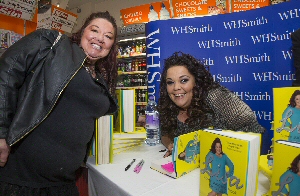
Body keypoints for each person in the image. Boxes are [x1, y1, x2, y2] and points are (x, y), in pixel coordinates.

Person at [0, 11, 118, 195]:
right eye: (94, 30)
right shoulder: (52, 44)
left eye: (108, 36)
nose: (100, 38)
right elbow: (7, 73)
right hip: (21, 180)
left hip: (64, 183)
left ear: (111, 46)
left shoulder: (100, 81)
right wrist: (1, 132)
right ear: (82, 32)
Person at [158, 52, 265, 157]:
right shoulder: (168, 104)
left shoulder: (216, 97)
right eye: (170, 82)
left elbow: (256, 133)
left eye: (184, 80)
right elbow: (165, 134)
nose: (176, 87)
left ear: (196, 81)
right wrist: (171, 145)